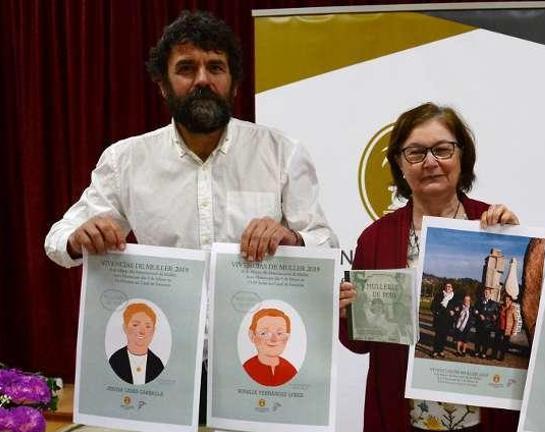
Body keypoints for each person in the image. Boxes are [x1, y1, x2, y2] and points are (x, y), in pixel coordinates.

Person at [44, 10, 337, 269]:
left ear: (234, 85)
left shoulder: (282, 153)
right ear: (162, 85)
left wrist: (293, 239)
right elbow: (57, 239)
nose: (202, 80)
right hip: (167, 329)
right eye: (186, 68)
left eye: (215, 67)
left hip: (258, 329)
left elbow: (326, 243)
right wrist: (78, 237)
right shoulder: (125, 161)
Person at [338, 102, 521, 432]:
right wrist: (348, 313)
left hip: (484, 420)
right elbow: (359, 343)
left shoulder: (494, 225)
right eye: (416, 152)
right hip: (403, 421)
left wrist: (516, 241)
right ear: (399, 163)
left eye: (442, 149)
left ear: (461, 156)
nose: (431, 162)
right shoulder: (375, 238)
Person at [109, 303, 164, 385]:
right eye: (135, 325)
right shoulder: (115, 360)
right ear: (125, 327)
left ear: (153, 331)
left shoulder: (157, 364)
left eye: (148, 326)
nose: (142, 331)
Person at [242, 308, 297, 387]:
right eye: (264, 333)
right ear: (252, 336)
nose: (273, 339)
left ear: (287, 337)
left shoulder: (291, 370)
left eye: (280, 333)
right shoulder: (247, 369)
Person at [429, 282, 456, 357]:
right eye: (447, 286)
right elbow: (432, 307)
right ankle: (435, 351)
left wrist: (454, 312)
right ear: (444, 287)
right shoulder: (439, 295)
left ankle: (441, 351)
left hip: (448, 321)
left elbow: (457, 308)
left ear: (452, 288)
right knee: (437, 336)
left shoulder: (454, 298)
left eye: (449, 286)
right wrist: (436, 312)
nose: (448, 287)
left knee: (444, 337)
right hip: (439, 319)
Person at [472, 286, 499, 359]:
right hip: (479, 324)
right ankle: (476, 352)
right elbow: (474, 310)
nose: (485, 294)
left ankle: (483, 353)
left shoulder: (494, 304)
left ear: (490, 294)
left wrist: (493, 317)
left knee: (486, 340)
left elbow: (496, 314)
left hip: (488, 326)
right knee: (477, 339)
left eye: (487, 293)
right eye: (484, 292)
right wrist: (478, 314)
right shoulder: (478, 302)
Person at [494, 294, 517, 361]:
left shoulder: (513, 308)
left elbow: (515, 320)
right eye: (505, 299)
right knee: (496, 342)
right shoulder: (501, 307)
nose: (506, 301)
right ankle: (493, 355)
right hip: (499, 327)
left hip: (507, 329)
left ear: (510, 300)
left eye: (508, 299)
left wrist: (513, 330)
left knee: (504, 344)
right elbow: (498, 316)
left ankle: (501, 357)